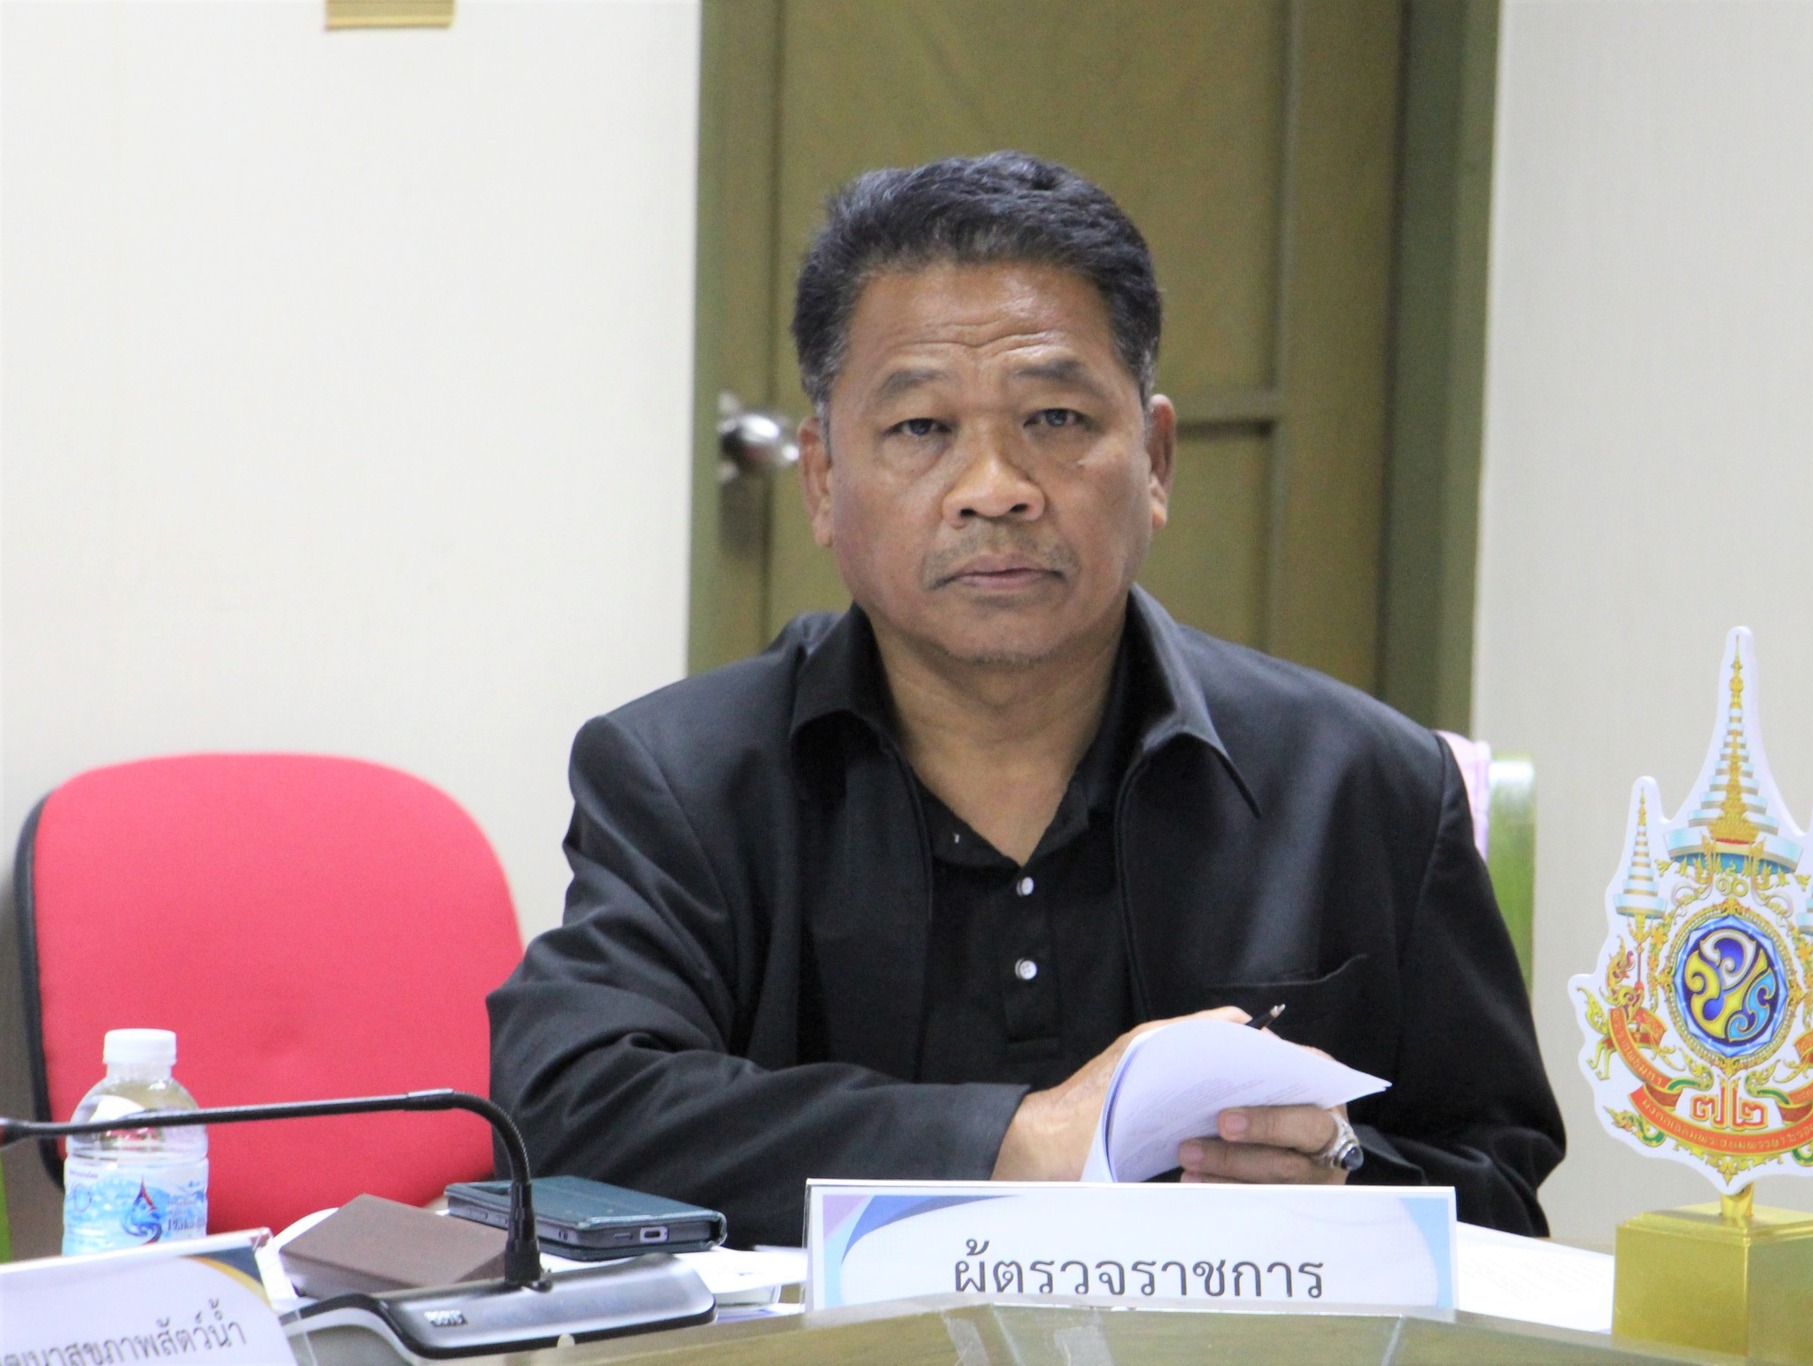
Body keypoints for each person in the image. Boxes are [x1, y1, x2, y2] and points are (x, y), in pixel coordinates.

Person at [489, 152, 1564, 1249]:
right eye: (920, 429)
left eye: (1054, 418)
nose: (994, 488)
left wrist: (1343, 1176)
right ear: (822, 479)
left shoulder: (1364, 781)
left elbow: (1497, 1186)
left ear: (1154, 461)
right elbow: (569, 1107)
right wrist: (1018, 1144)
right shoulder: (683, 777)